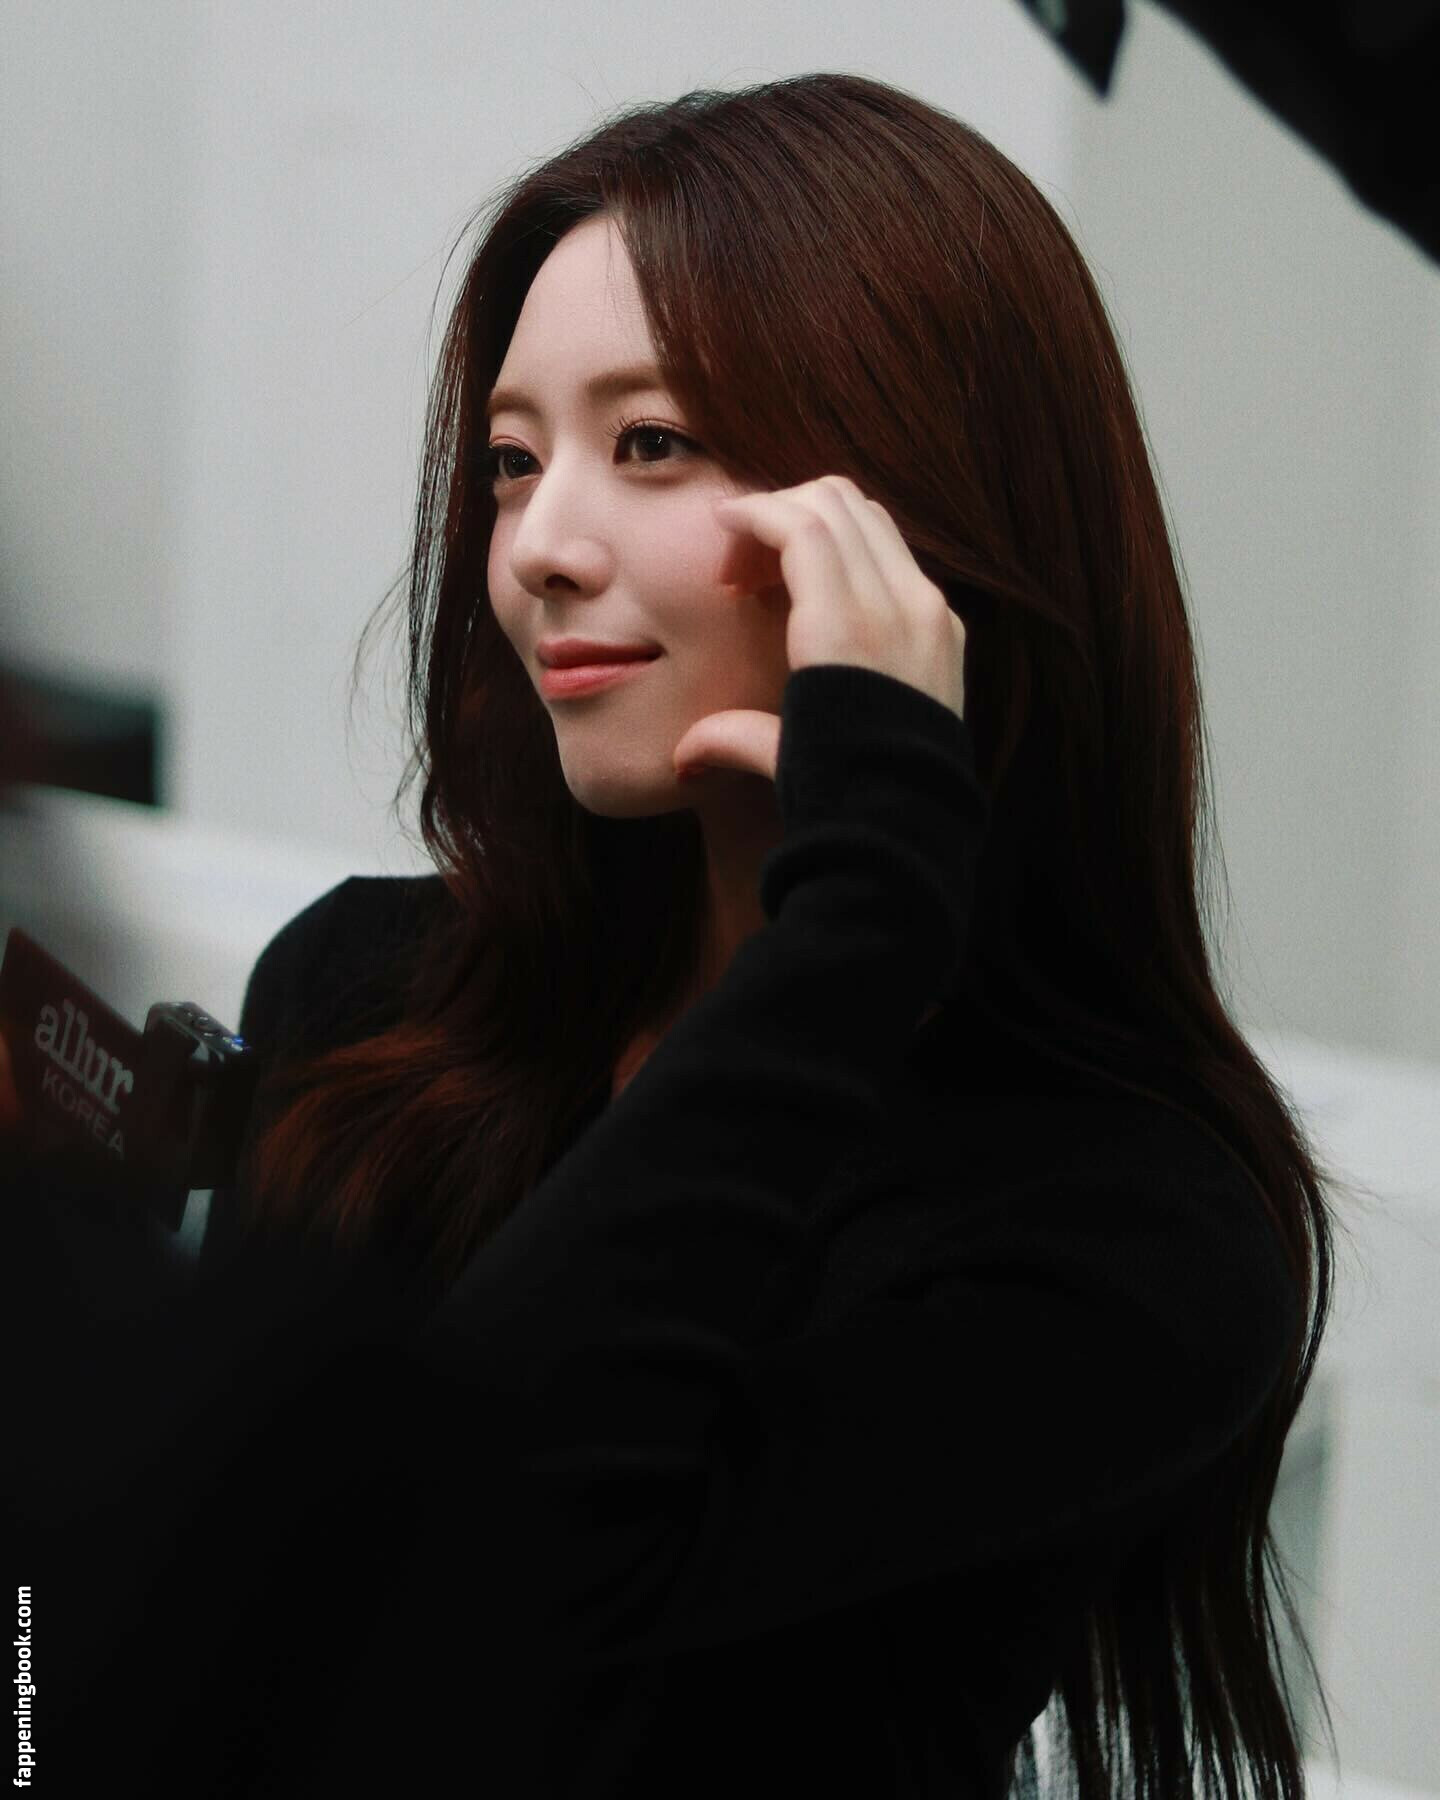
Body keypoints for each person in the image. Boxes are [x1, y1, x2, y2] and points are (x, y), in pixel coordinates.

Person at [7, 69, 1366, 1800]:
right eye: (513, 463)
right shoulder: (367, 995)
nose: (541, 548)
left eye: (652, 444)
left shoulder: (1134, 1226)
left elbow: (490, 1575)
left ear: (918, 524)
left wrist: (857, 926)